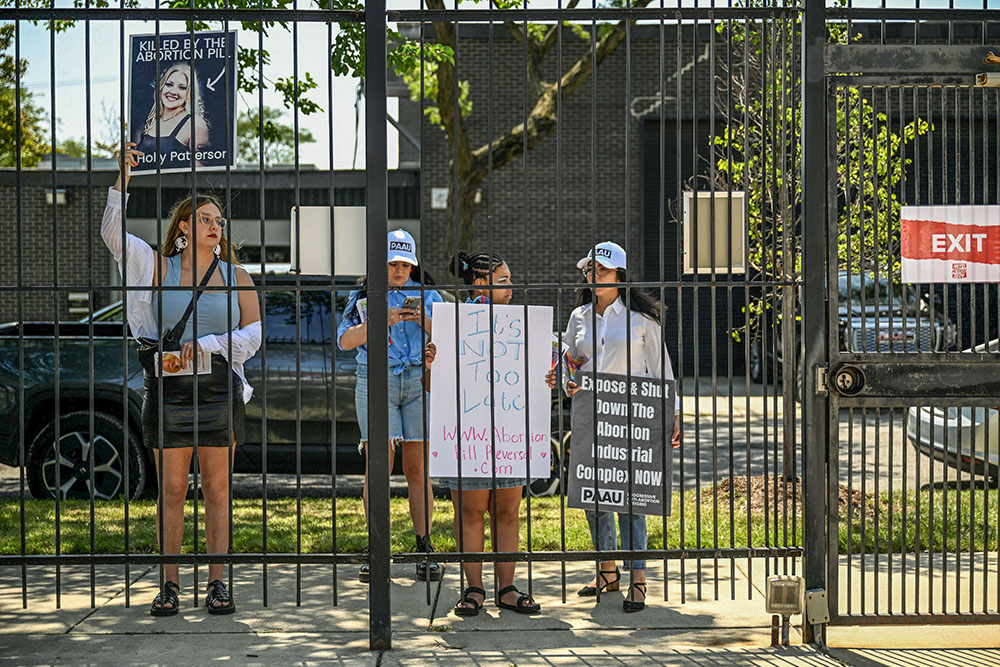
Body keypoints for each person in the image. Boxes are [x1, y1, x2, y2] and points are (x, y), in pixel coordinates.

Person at [101, 142, 260, 616]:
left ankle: (217, 583)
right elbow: (112, 234)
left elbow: (252, 336)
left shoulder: (239, 276)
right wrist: (122, 179)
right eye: (207, 219)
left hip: (217, 391)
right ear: (186, 227)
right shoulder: (157, 267)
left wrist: (208, 346)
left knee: (216, 491)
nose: (216, 225)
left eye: (219, 221)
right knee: (171, 490)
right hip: (168, 391)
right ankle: (169, 584)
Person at [546, 241, 682, 613]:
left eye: (601, 270)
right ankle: (606, 570)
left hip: (633, 415)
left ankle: (637, 577)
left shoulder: (642, 320)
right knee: (593, 494)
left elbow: (660, 368)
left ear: (620, 277)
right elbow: (572, 362)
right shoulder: (578, 317)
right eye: (590, 269)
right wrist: (566, 380)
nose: (594, 275)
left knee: (631, 497)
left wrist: (674, 412)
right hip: (590, 414)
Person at [430, 251, 540, 616]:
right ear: (480, 284)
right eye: (504, 281)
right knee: (471, 512)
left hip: (510, 431)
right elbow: (432, 385)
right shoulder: (452, 324)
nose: (511, 287)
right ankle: (474, 588)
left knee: (508, 511)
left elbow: (537, 380)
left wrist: (549, 377)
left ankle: (506, 589)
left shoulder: (524, 325)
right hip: (470, 434)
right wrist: (430, 363)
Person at [336, 230, 444, 584]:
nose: (399, 271)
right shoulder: (363, 295)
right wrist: (380, 320)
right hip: (375, 380)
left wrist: (422, 322)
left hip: (417, 381)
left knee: (419, 469)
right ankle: (376, 548)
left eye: (405, 265)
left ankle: (423, 546)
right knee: (378, 467)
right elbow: (344, 340)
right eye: (392, 264)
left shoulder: (428, 294)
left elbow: (452, 335)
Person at [135, 62, 210, 171]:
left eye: (182, 87)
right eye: (169, 84)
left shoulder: (195, 124)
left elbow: (201, 174)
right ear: (161, 87)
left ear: (189, 93)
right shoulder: (149, 122)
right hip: (143, 187)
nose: (173, 92)